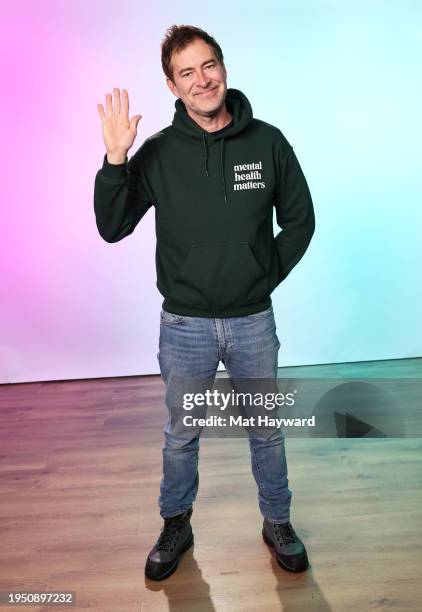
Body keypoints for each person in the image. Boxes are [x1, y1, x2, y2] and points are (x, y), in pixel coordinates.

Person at [94, 24, 315, 581]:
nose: (202, 80)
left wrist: (261, 275)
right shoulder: (160, 154)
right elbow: (112, 227)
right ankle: (176, 523)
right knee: (181, 433)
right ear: (172, 84)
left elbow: (300, 220)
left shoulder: (267, 141)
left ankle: (278, 520)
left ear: (224, 67)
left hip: (251, 321)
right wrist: (115, 160)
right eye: (187, 72)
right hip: (185, 323)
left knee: (266, 427)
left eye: (208, 65)